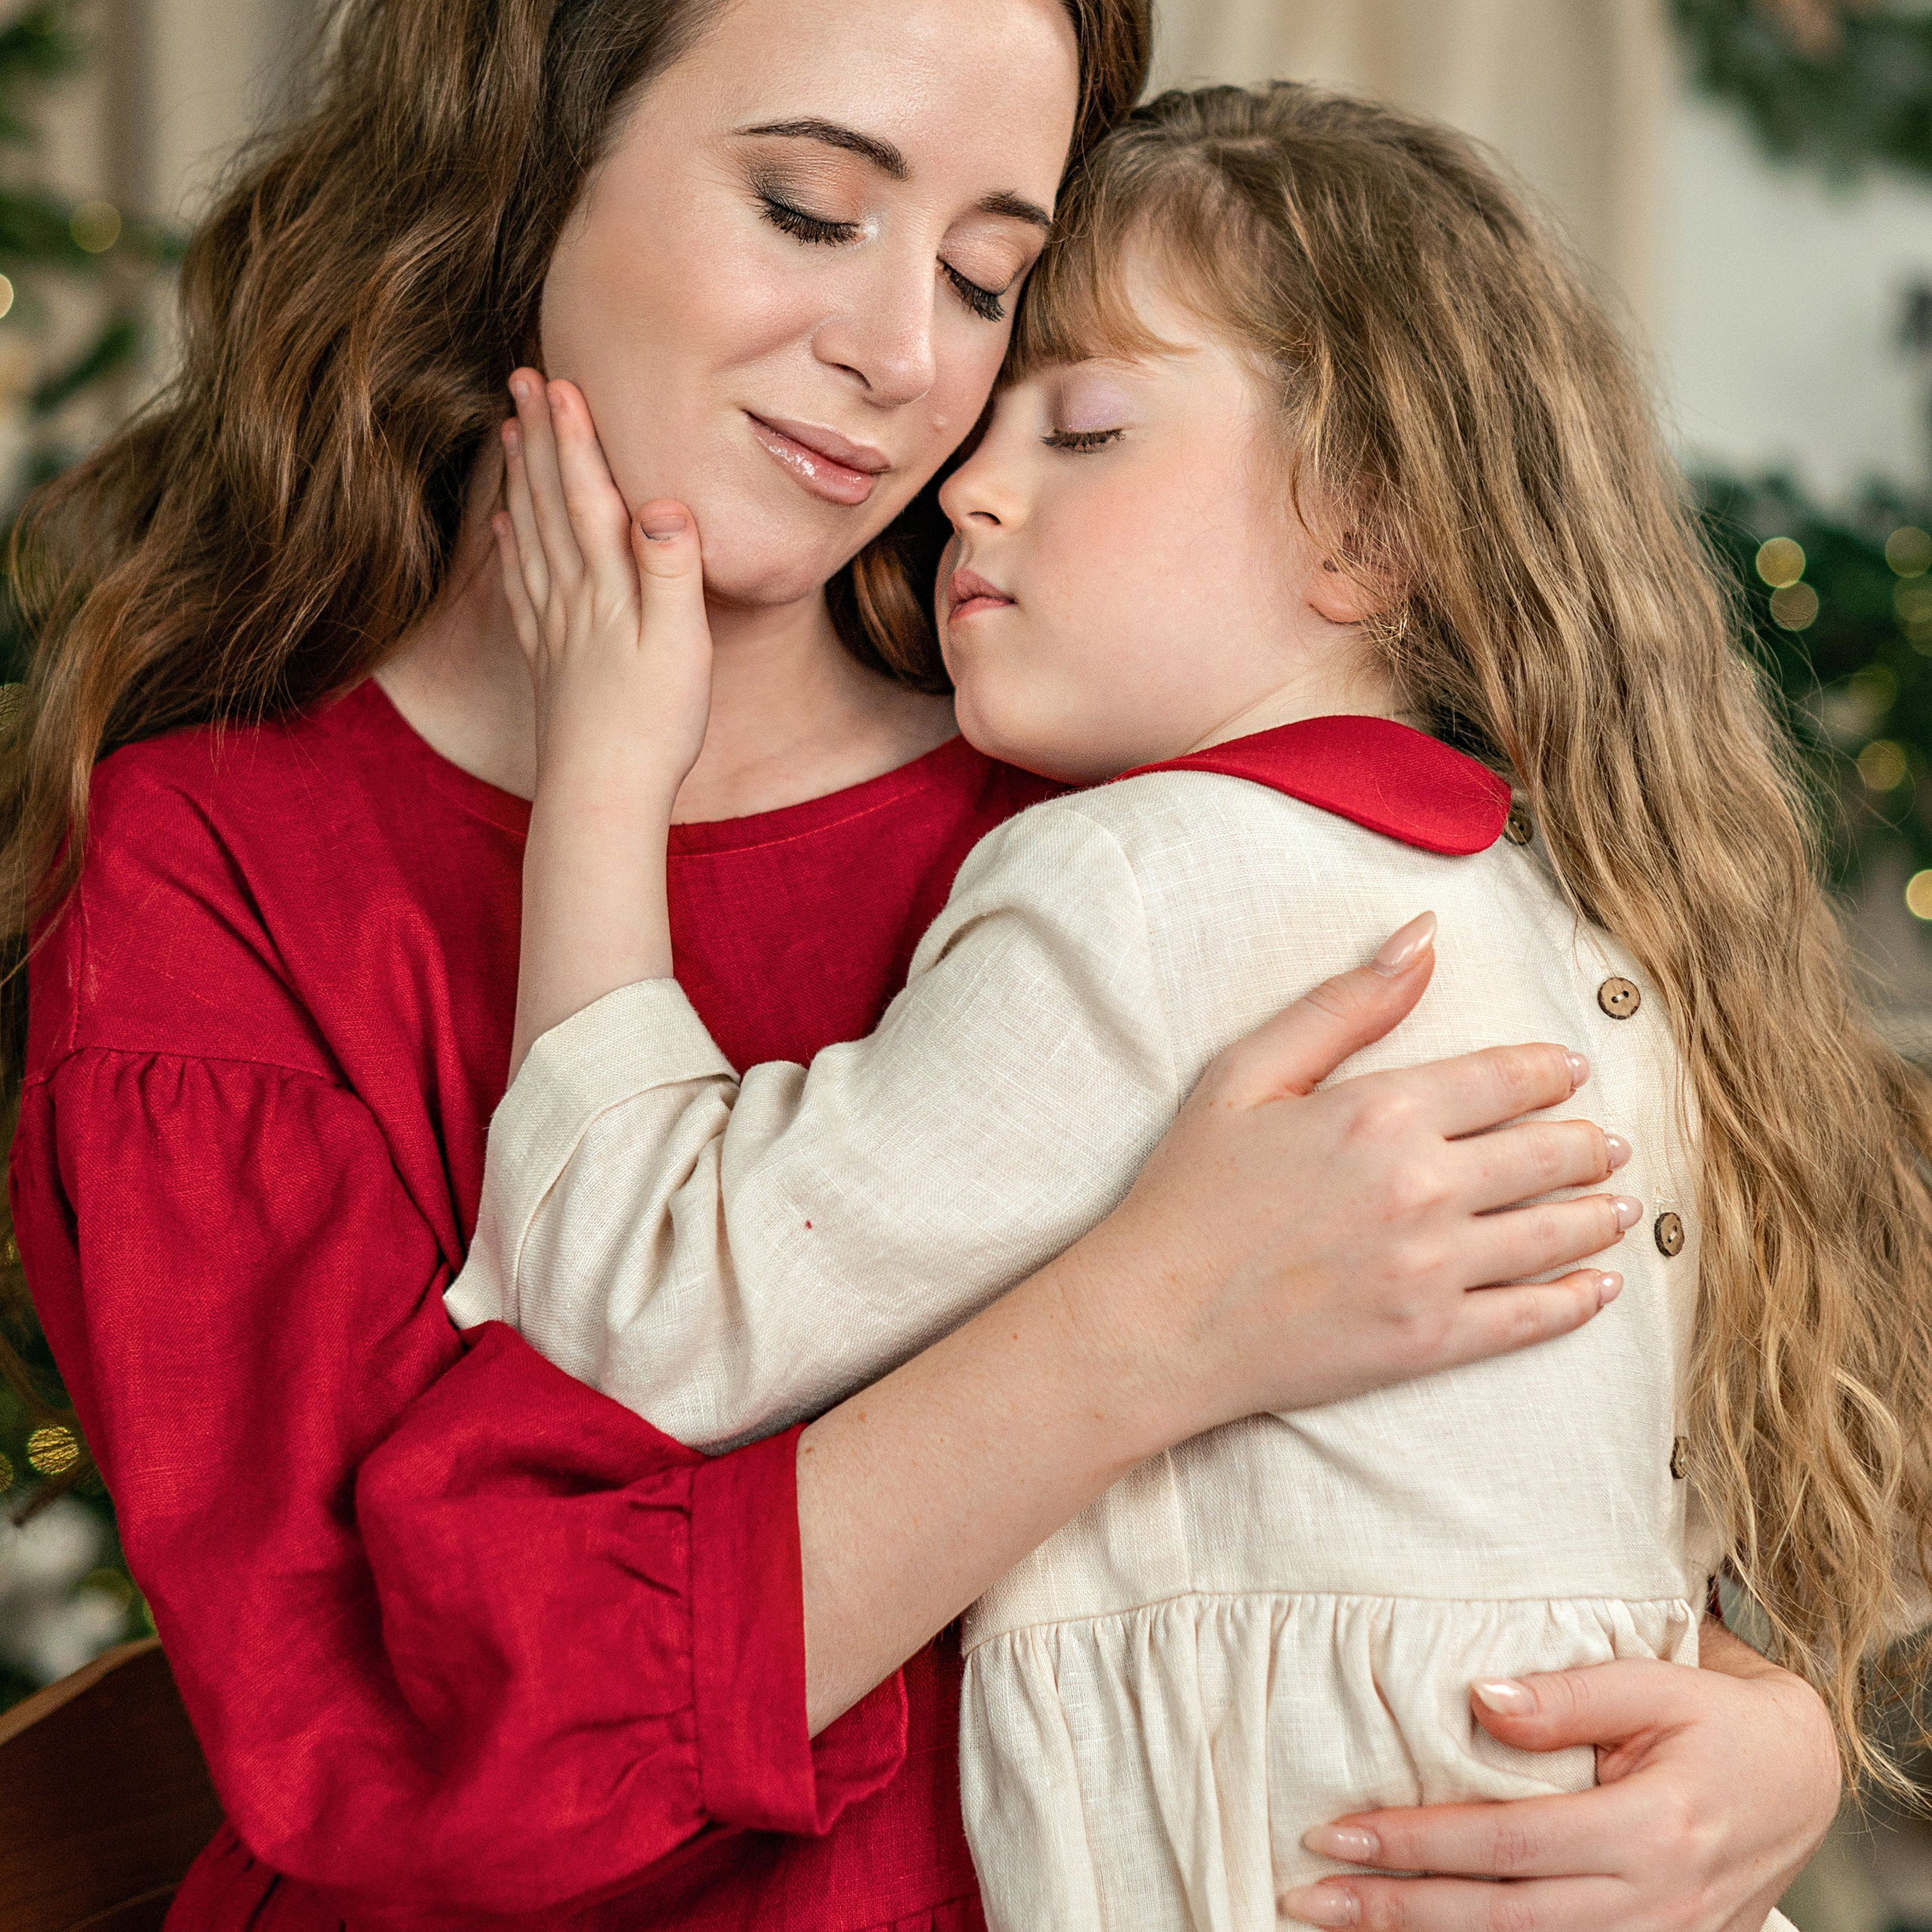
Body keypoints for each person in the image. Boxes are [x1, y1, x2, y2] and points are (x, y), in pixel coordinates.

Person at [0, 3, 1838, 1927]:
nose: (901, 362)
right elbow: (393, 1736)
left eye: (986, 279)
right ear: (527, 164)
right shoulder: (214, 874)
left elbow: (1413, 1503)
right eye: (807, 210)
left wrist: (1748, 1733)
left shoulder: (1119, 790)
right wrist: (1141, 1330)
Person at [451, 79, 1932, 1931]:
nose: (970, 484)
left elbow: (650, 1306)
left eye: (1081, 428)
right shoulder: (1574, 912)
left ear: (1364, 527)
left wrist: (597, 769)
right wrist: (1782, 1724)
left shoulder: (1148, 878)